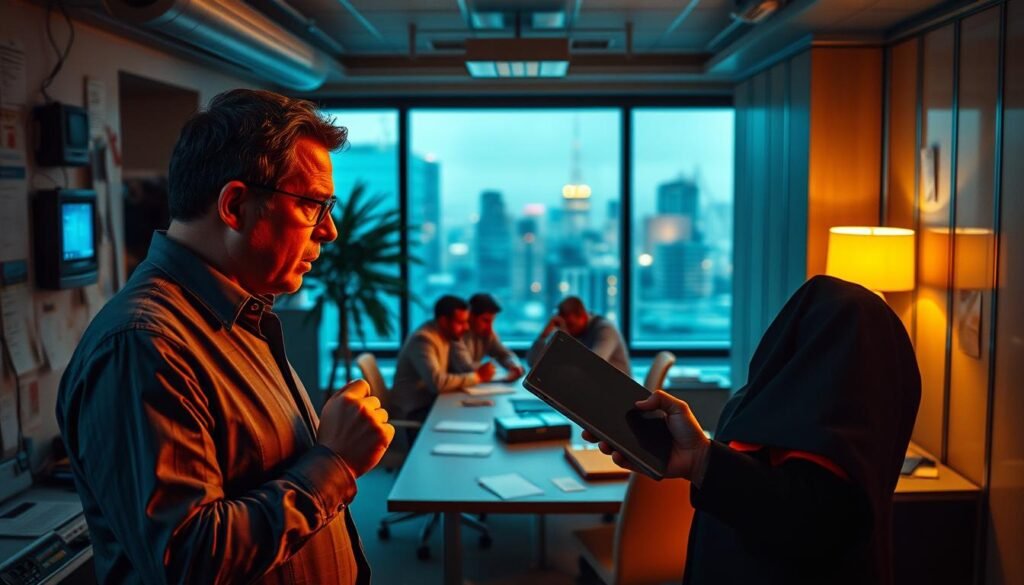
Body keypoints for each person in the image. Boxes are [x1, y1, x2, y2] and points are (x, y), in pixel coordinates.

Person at [56, 89, 394, 585]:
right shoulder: (145, 344)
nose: (330, 232)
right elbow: (190, 560)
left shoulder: (240, 316)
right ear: (235, 205)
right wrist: (335, 462)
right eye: (314, 207)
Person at [585, 275, 921, 585]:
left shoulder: (824, 439)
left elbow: (800, 518)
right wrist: (698, 458)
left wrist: (703, 459)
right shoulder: (836, 428)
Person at [391, 295, 497, 421]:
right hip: (413, 411)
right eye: (460, 323)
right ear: (443, 321)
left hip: (431, 403)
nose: (466, 328)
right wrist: (477, 377)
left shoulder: (445, 336)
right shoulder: (424, 340)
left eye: (466, 322)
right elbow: (437, 383)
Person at [527, 296, 630, 374]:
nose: (567, 329)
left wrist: (566, 339)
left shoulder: (605, 329)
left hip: (618, 393)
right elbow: (533, 362)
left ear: (583, 316)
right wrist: (544, 334)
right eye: (563, 325)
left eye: (570, 324)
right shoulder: (573, 332)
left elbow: (593, 366)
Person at [449, 293, 525, 381]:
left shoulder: (486, 333)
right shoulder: (457, 333)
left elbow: (504, 354)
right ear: (470, 316)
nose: (490, 328)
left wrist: (513, 365)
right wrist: (492, 368)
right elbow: (466, 368)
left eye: (492, 321)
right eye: (485, 321)